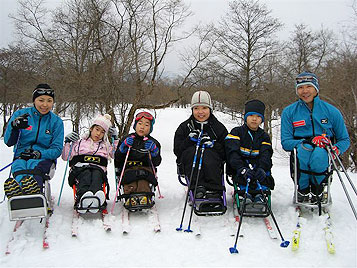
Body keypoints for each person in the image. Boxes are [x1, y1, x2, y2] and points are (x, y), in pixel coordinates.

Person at [281, 71, 350, 202]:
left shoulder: (331, 111)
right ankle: (303, 190)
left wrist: (336, 149)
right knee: (304, 150)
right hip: (301, 147)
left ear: (316, 88)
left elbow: (344, 139)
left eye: (308, 87)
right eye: (300, 88)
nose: (304, 91)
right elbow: (285, 142)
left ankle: (318, 190)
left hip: (324, 147)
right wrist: (309, 141)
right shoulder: (289, 112)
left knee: (319, 154)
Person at [4, 84, 64, 199]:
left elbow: (57, 150)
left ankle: (32, 190)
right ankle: (18, 192)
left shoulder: (56, 122)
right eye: (41, 100)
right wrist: (14, 127)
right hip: (21, 155)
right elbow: (8, 141)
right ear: (34, 100)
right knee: (19, 167)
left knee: (34, 168)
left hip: (43, 158)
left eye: (49, 101)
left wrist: (39, 154)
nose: (45, 105)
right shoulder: (21, 115)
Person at [174, 90, 228, 198]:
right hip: (191, 163)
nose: (200, 112)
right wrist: (188, 141)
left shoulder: (218, 128)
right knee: (193, 152)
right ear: (192, 110)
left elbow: (227, 151)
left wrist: (213, 145)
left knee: (209, 154)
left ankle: (214, 189)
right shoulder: (184, 127)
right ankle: (196, 187)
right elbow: (177, 150)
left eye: (204, 108)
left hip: (213, 164)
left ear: (210, 109)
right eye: (196, 108)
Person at [62, 114, 118, 213]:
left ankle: (96, 197)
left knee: (96, 175)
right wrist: (67, 142)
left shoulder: (105, 145)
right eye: (97, 129)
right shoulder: (79, 143)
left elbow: (115, 155)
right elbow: (66, 157)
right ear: (91, 129)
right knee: (86, 174)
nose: (98, 134)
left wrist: (116, 140)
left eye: (102, 132)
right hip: (80, 169)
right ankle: (82, 198)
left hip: (98, 169)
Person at [225, 99, 274, 203]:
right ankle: (243, 193)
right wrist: (241, 168)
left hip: (257, 165)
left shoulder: (264, 136)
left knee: (263, 175)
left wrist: (262, 168)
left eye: (258, 117)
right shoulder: (236, 132)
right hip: (241, 166)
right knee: (243, 175)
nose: (254, 119)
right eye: (251, 116)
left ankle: (260, 194)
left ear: (262, 120)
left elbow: (266, 154)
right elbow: (232, 153)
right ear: (246, 117)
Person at [115, 111, 161, 206]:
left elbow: (157, 162)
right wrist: (122, 148)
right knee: (130, 180)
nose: (142, 127)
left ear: (150, 128)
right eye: (140, 123)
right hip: (128, 168)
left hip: (145, 168)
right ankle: (129, 197)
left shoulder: (153, 142)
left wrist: (154, 152)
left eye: (146, 125)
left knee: (143, 181)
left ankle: (144, 197)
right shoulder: (127, 139)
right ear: (135, 125)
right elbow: (117, 159)